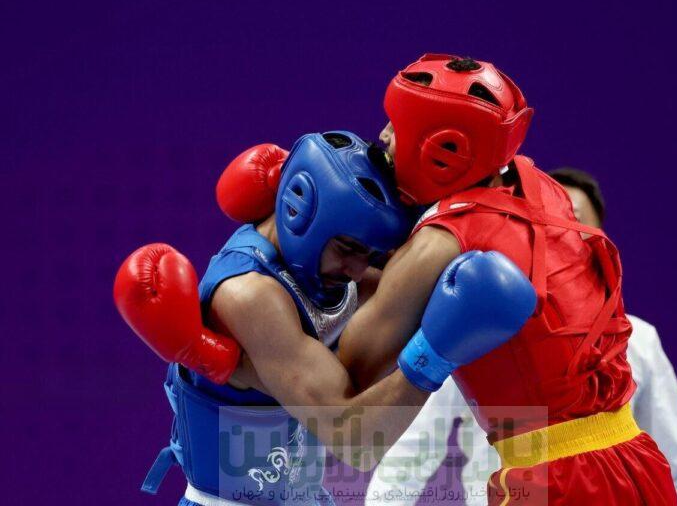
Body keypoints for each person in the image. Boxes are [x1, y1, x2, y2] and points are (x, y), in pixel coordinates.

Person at [114, 131, 537, 505]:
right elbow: (356, 442)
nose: (358, 269)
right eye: (350, 249)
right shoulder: (250, 295)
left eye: (370, 254)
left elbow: (409, 285)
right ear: (300, 211)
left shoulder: (326, 267)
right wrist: (435, 354)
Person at [334, 54, 677, 505]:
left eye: (397, 124)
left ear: (444, 147)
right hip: (637, 463)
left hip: (556, 483)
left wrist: (297, 270)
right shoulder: (544, 188)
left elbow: (352, 371)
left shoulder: (443, 241)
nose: (382, 136)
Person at [365, 167, 677, 506]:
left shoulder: (641, 341)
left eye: (572, 226)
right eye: (541, 232)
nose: (557, 240)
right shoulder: (472, 327)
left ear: (593, 243)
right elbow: (410, 454)